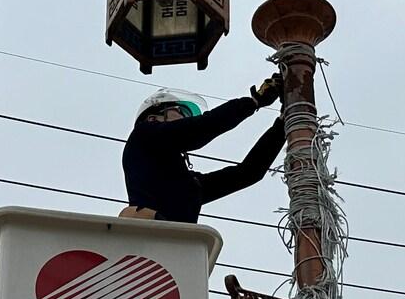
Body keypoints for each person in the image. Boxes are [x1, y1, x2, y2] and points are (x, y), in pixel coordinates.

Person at [120, 75, 285, 223]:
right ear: (152, 117)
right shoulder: (143, 134)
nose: (186, 118)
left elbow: (248, 173)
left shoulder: (186, 186)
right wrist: (253, 102)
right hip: (149, 238)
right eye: (179, 111)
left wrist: (283, 124)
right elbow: (200, 128)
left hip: (173, 246)